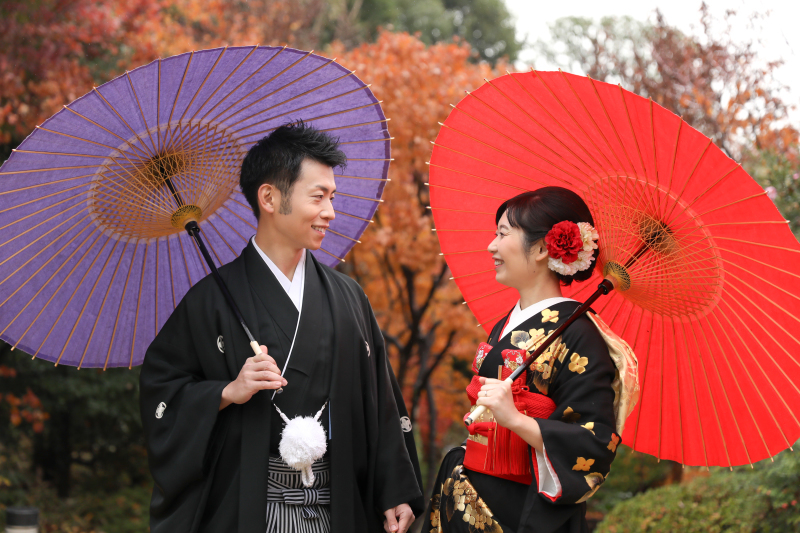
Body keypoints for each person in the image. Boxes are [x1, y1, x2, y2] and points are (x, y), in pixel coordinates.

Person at [140, 121, 423, 533]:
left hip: (336, 505)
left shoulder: (348, 297)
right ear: (270, 197)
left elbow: (380, 401)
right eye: (318, 197)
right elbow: (161, 393)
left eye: (332, 197)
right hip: (246, 507)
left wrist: (394, 488)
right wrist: (224, 392)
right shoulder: (211, 300)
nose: (330, 211)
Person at [426, 187, 637, 533]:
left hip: (517, 509)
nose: (492, 246)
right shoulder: (506, 323)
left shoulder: (580, 336)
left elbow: (594, 443)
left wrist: (516, 420)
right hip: (469, 491)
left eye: (503, 234)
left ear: (542, 248)